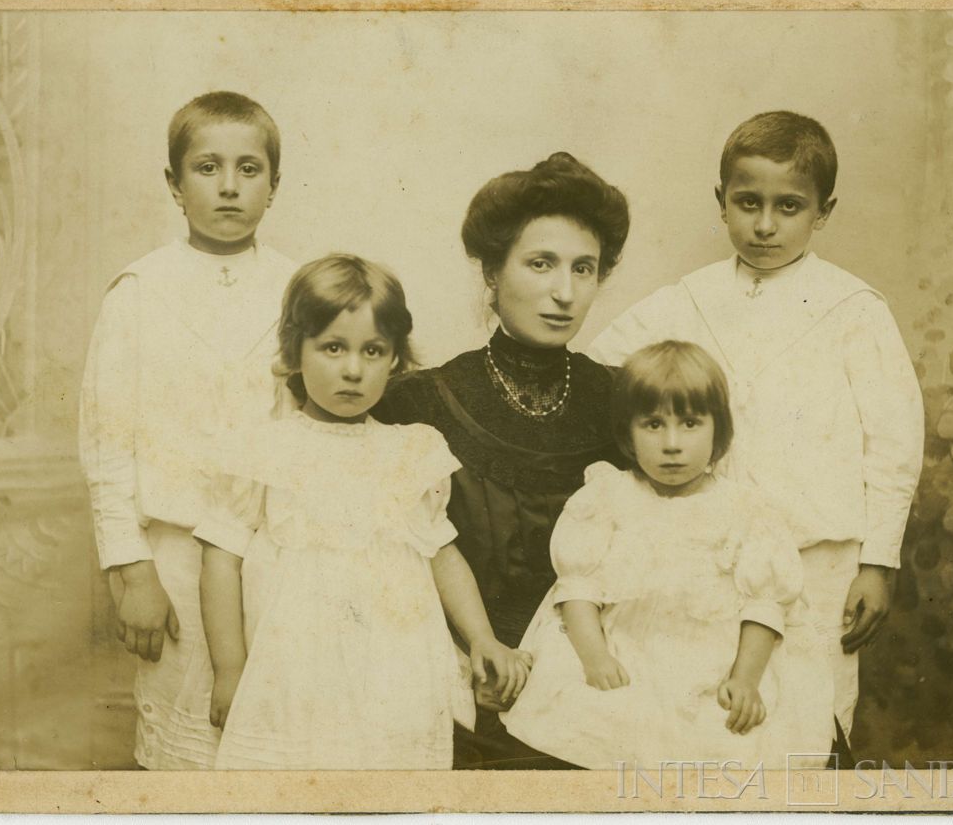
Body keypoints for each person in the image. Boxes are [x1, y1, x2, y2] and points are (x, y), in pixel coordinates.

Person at [589, 111, 924, 759]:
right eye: (748, 203)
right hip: (713, 552)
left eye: (788, 206)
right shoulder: (688, 298)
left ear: (823, 211)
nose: (765, 225)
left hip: (817, 559)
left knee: (811, 719)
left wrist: (878, 560)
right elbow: (601, 372)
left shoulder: (853, 308)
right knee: (723, 718)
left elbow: (894, 443)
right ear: (721, 203)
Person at [194, 255, 530, 770]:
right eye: (332, 347)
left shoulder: (411, 451)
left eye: (373, 351)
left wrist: (481, 636)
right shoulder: (264, 450)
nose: (353, 369)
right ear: (295, 350)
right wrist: (229, 668)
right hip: (295, 672)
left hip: (394, 670)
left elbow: (441, 553)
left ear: (395, 359)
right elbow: (221, 561)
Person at [373, 152, 631, 768]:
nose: (564, 292)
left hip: (588, 694)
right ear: (491, 272)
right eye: (539, 264)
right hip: (455, 690)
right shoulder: (419, 402)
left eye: (584, 269)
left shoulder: (625, 405)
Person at [79, 91, 297, 769]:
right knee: (187, 746)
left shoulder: (300, 288)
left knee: (274, 740)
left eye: (249, 168)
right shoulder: (141, 290)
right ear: (174, 184)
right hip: (173, 555)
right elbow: (107, 443)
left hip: (279, 553)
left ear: (274, 184)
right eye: (207, 167)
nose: (229, 186)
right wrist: (132, 569)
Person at [502, 341, 834, 769]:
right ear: (627, 433)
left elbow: (764, 606)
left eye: (691, 423)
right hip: (625, 653)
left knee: (726, 742)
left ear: (720, 431)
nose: (672, 444)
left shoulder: (746, 510)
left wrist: (745, 680)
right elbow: (577, 588)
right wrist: (595, 658)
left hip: (715, 662)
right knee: (607, 728)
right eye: (653, 425)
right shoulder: (607, 497)